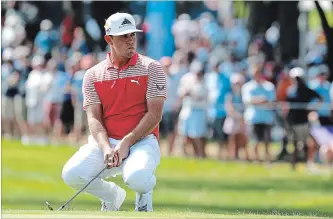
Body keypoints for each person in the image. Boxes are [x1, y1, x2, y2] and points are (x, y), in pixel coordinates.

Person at [61, 12, 166, 212]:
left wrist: (127, 141)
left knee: (138, 179)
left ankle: (144, 193)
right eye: (123, 36)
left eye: (132, 35)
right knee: (71, 174)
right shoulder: (92, 75)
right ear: (109, 39)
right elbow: (94, 118)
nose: (130, 40)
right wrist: (106, 148)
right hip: (106, 143)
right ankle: (113, 196)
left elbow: (155, 115)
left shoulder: (152, 68)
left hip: (142, 141)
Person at [242, 65, 276, 162]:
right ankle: (256, 159)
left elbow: (271, 101)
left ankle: (267, 159)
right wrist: (261, 100)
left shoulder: (269, 86)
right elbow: (248, 100)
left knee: (266, 140)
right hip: (254, 118)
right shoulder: (247, 86)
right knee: (254, 140)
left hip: (266, 118)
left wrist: (258, 100)